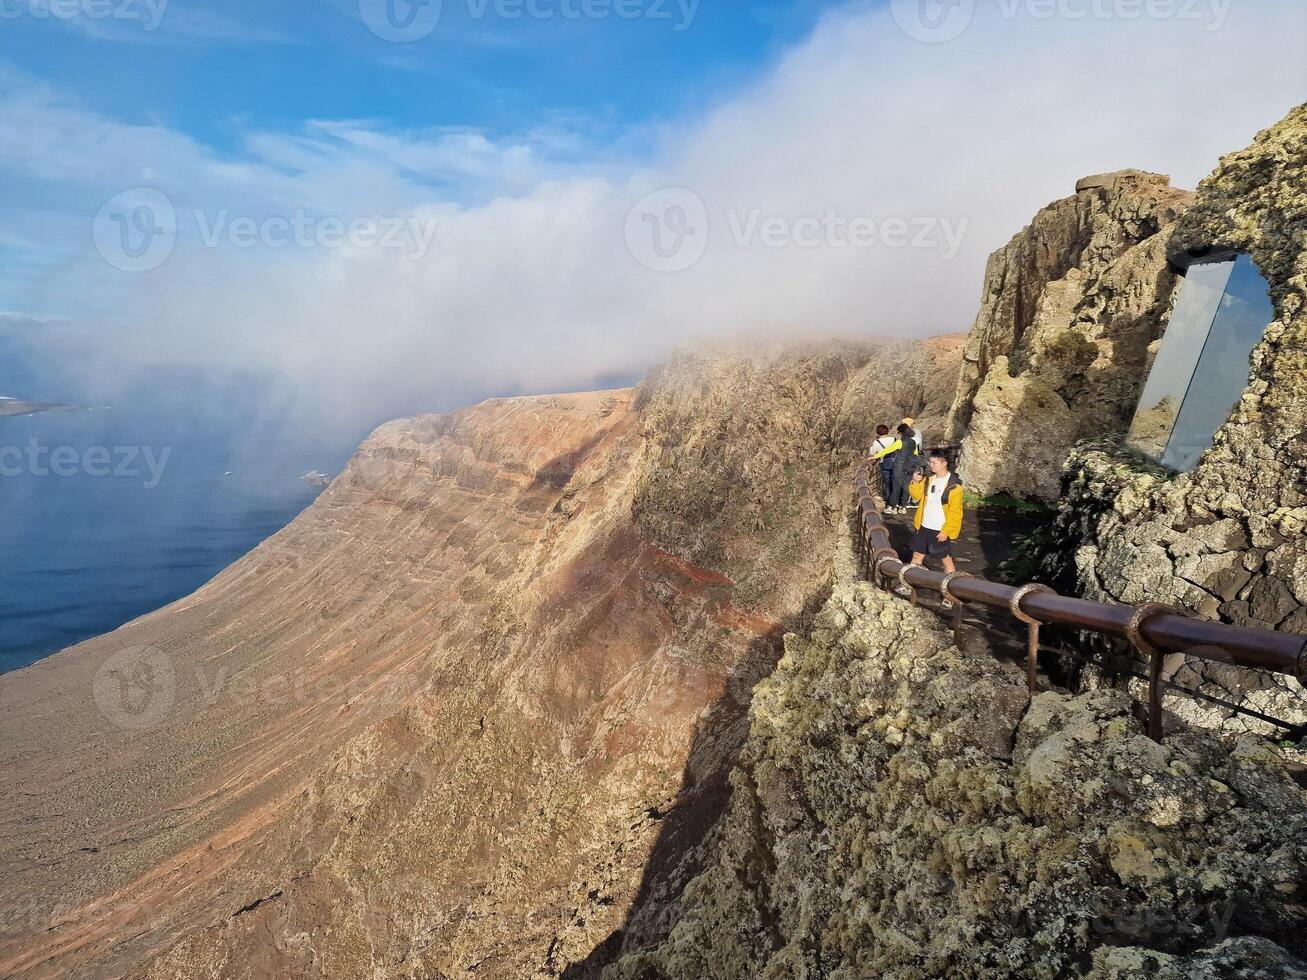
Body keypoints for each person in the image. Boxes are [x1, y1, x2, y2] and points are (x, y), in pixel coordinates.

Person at [901, 450, 965, 608]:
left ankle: (950, 594)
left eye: (934, 463)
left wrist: (947, 531)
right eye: (929, 462)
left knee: (946, 561)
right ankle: (908, 585)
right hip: (923, 526)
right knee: (917, 555)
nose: (930, 465)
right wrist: (915, 482)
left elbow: (956, 512)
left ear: (944, 463)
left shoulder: (954, 487)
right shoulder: (929, 480)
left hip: (939, 529)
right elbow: (916, 496)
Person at [889, 422, 922, 514]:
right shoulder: (913, 442)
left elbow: (888, 450)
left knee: (896, 488)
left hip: (899, 467)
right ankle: (903, 507)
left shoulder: (900, 442)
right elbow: (915, 454)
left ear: (901, 433)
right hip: (909, 467)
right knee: (907, 488)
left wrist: (875, 456)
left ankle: (894, 507)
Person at [868, 424, 898, 506]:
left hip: (884, 463)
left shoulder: (876, 442)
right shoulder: (894, 439)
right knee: (896, 482)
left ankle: (890, 503)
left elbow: (873, 452)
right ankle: (898, 501)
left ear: (877, 432)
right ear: (887, 431)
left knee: (888, 484)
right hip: (896, 462)